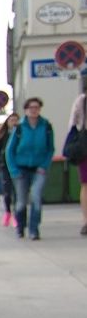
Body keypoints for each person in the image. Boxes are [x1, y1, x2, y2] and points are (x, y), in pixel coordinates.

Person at [6, 97, 55, 240]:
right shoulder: (20, 128)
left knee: (36, 196)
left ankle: (34, 229)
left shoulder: (46, 126)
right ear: (26, 110)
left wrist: (44, 166)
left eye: (36, 107)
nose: (34, 110)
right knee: (21, 201)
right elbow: (10, 151)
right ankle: (20, 227)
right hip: (21, 169)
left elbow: (50, 149)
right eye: (31, 108)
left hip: (39, 168)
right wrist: (14, 170)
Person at [71, 87, 87, 235]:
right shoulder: (82, 100)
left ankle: (86, 221)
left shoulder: (81, 100)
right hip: (84, 146)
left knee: (85, 185)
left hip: (83, 145)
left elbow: (72, 125)